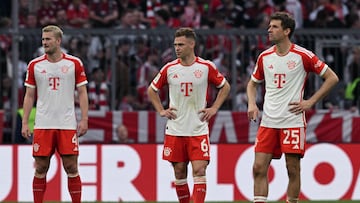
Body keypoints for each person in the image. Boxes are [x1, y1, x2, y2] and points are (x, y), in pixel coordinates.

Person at [246, 12, 339, 203]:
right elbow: (252, 83)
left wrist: (310, 102)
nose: (269, 30)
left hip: (292, 121)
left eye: (274, 27)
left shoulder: (302, 55)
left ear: (287, 31)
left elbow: (332, 78)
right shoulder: (265, 57)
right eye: (269, 26)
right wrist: (251, 103)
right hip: (269, 121)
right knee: (258, 168)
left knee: (292, 169)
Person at [147, 27, 230, 203]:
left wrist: (214, 108)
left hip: (198, 129)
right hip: (175, 129)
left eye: (181, 44)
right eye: (175, 44)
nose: (177, 48)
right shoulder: (169, 68)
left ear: (192, 44)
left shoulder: (206, 67)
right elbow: (151, 90)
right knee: (179, 172)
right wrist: (161, 110)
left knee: (199, 170)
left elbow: (225, 86)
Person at [21, 25, 89, 203]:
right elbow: (29, 96)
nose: (44, 42)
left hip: (66, 123)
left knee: (71, 166)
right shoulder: (34, 65)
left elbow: (82, 92)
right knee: (41, 167)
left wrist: (84, 119)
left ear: (58, 41)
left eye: (48, 39)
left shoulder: (74, 63)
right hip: (43, 123)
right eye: (43, 39)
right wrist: (25, 123)